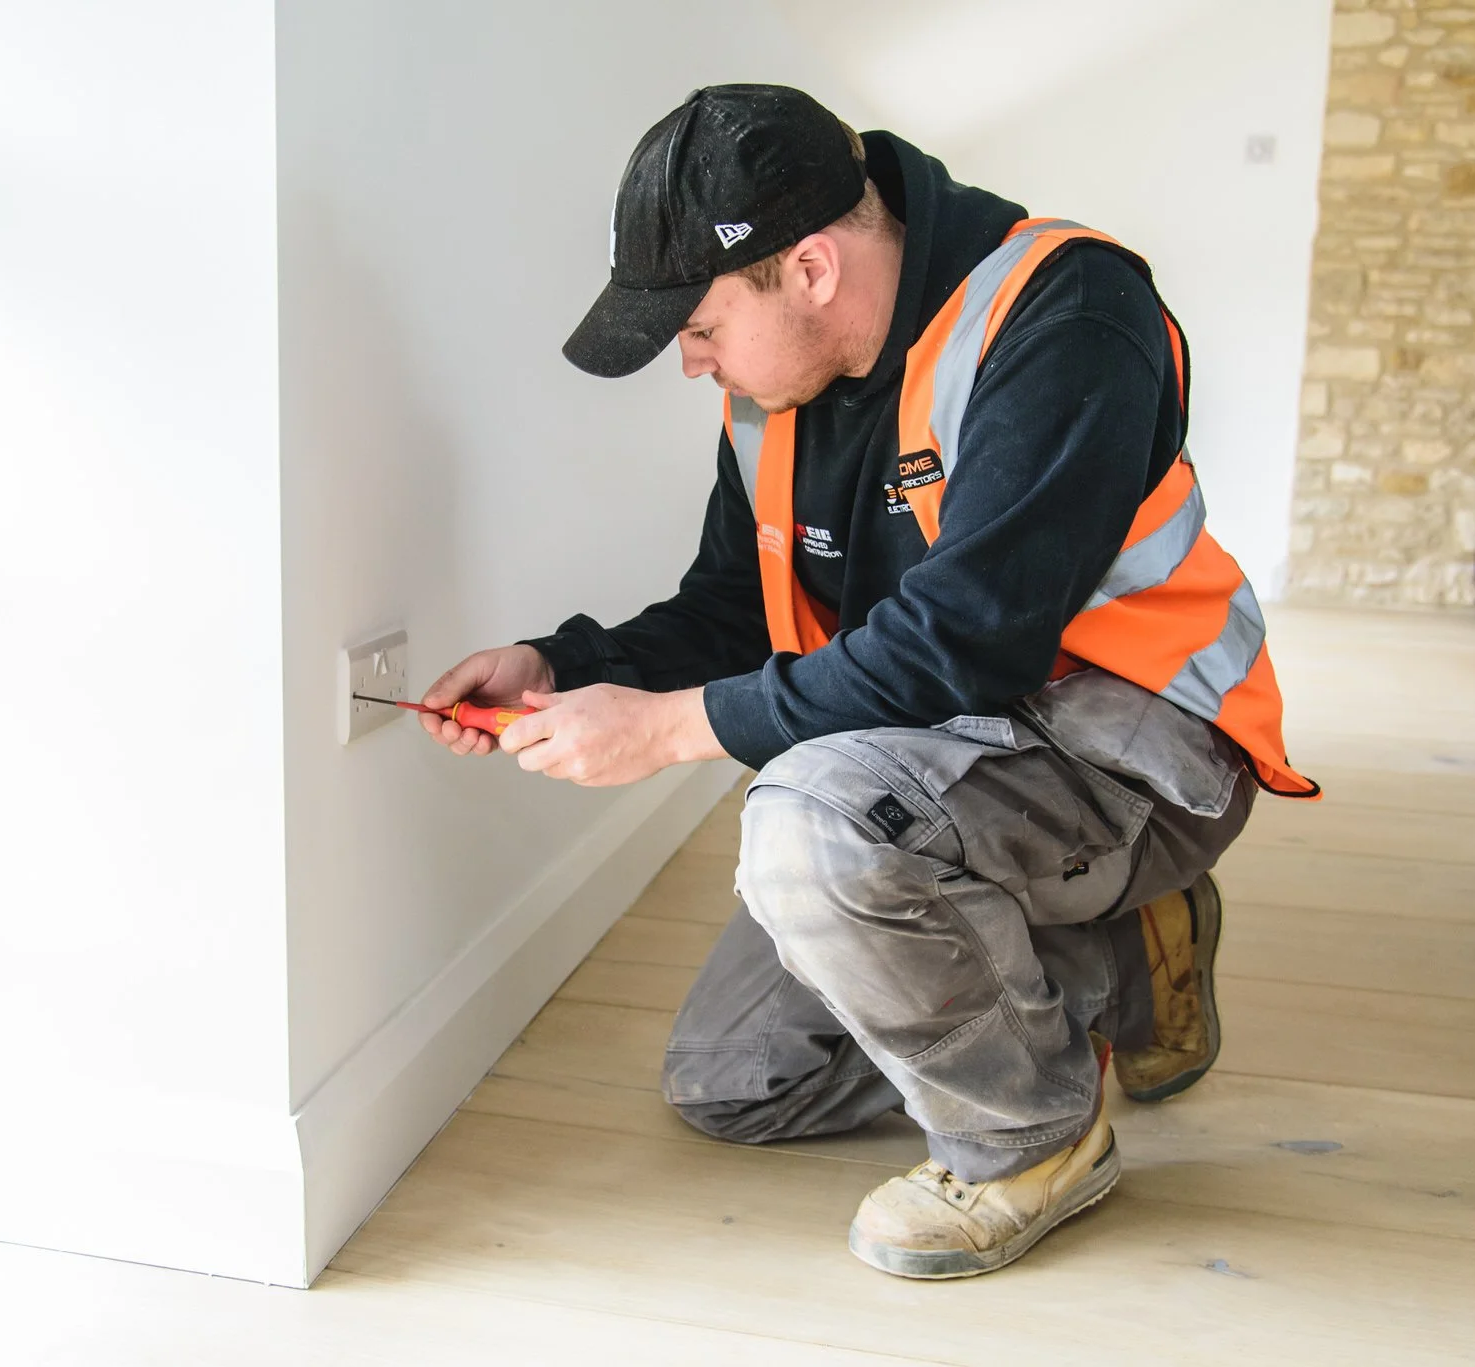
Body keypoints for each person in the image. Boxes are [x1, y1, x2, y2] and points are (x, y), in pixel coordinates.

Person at [418, 84, 1318, 1280]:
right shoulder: (767, 391)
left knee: (806, 827)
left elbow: (968, 642)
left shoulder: (1064, 311)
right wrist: (564, 665)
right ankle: (1090, 958)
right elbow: (732, 610)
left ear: (810, 269)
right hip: (935, 756)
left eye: (696, 327)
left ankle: (1031, 1140)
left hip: (1134, 746)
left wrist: (668, 731)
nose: (690, 365)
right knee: (731, 1079)